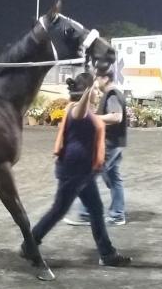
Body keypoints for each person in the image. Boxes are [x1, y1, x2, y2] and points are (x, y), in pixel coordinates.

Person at [24, 73, 131, 267]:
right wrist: (89, 91)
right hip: (73, 170)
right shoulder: (76, 109)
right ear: (87, 92)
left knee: (96, 210)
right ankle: (30, 244)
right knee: (58, 210)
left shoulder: (88, 111)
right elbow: (82, 108)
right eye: (95, 91)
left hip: (84, 171)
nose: (99, 94)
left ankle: (107, 254)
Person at [64, 67, 128, 225]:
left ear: (105, 78)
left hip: (110, 143)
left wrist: (93, 118)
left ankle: (87, 213)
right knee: (113, 178)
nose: (95, 82)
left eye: (97, 78)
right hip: (114, 142)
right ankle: (117, 214)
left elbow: (116, 116)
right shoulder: (112, 93)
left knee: (87, 175)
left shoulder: (112, 94)